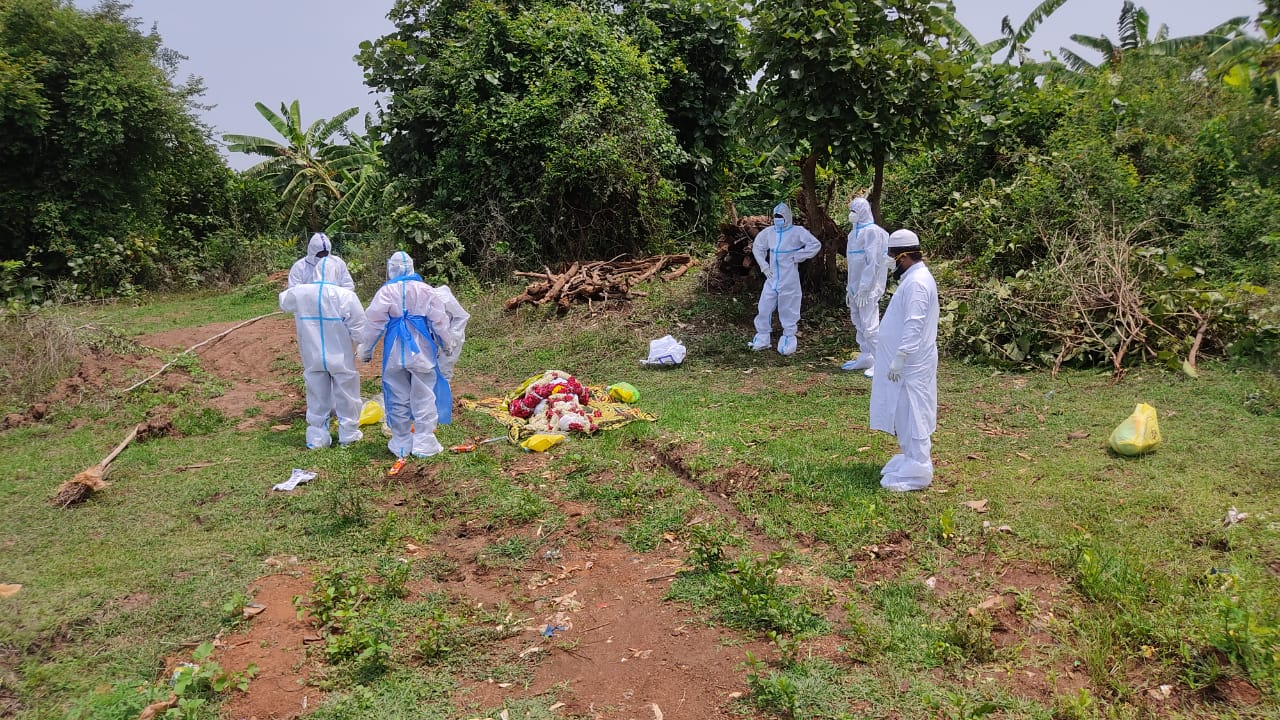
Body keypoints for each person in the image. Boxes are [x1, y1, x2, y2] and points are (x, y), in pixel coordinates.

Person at [359, 251, 459, 458]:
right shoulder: (426, 290)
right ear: (412, 267)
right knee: (424, 395)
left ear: (390, 269)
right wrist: (446, 343)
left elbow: (373, 323)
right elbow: (439, 321)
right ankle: (424, 443)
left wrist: (366, 349)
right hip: (421, 349)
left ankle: (401, 442)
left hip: (395, 349)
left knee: (397, 396)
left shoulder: (386, 292)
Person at [869, 229, 939, 492]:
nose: (890, 262)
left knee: (913, 411)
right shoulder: (912, 279)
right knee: (903, 410)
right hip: (906, 364)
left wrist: (900, 357)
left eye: (892, 257)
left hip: (911, 365)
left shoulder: (918, 283)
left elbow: (915, 324)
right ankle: (910, 456)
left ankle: (920, 468)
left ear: (905, 256)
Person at [278, 257, 368, 449]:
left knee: (317, 395)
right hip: (340, 355)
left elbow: (284, 302)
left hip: (312, 354)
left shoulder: (301, 293)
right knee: (347, 394)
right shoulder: (345, 296)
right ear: (337, 274)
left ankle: (317, 438)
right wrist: (363, 346)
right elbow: (360, 327)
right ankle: (349, 435)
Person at [750, 202, 821, 356]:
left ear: (787, 217)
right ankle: (762, 337)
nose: (778, 219)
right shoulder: (769, 232)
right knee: (764, 306)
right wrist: (764, 266)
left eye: (781, 216)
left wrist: (798, 256)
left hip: (789, 278)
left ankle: (788, 337)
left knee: (788, 308)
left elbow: (814, 245)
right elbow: (758, 247)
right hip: (772, 277)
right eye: (776, 216)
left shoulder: (797, 232)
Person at [842, 197, 889, 376]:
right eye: (851, 210)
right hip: (854, 287)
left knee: (870, 326)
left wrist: (865, 288)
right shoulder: (852, 234)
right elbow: (852, 264)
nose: (851, 214)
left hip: (867, 288)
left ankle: (881, 360)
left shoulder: (872, 232)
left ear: (863, 212)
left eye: (855, 211)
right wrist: (850, 288)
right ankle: (866, 355)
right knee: (858, 322)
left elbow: (873, 262)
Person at [288, 232, 355, 290]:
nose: (323, 258)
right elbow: (293, 290)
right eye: (320, 255)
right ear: (312, 253)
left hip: (333, 303)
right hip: (308, 304)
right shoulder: (300, 267)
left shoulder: (338, 263)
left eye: (325, 254)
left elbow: (348, 285)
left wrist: (335, 297)